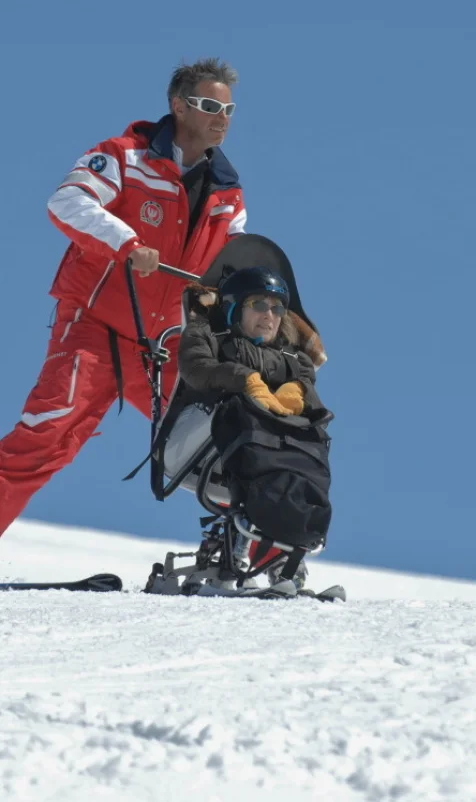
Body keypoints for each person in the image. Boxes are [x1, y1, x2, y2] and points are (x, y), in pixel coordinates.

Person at [0, 58, 247, 538]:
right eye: (210, 105)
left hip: (168, 343)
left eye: (230, 109)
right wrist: (127, 243)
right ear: (178, 105)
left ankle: (256, 556)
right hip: (97, 328)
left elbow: (237, 260)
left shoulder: (228, 193)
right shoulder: (124, 156)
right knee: (48, 435)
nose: (222, 117)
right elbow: (67, 202)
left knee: (228, 432)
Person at [165, 267, 332, 591]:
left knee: (307, 435)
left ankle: (288, 548)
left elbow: (308, 387)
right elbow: (196, 368)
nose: (269, 315)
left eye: (277, 308)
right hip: (196, 442)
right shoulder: (208, 337)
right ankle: (237, 547)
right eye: (258, 304)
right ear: (234, 307)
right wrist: (244, 380)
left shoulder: (293, 358)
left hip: (254, 451)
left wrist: (298, 391)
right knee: (248, 416)